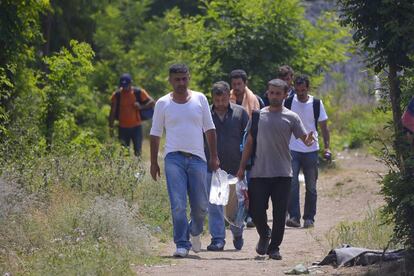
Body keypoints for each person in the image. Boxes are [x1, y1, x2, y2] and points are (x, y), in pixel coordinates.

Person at [236, 78, 315, 260]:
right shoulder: (257, 116)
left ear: (286, 95)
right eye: (271, 92)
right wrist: (241, 167)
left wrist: (309, 140)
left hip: (282, 173)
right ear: (267, 93)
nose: (274, 96)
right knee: (256, 211)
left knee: (279, 213)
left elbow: (304, 138)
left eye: (278, 93)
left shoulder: (292, 117)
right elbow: (249, 142)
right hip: (258, 172)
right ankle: (264, 234)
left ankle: (274, 248)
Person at [149, 64, 219, 258]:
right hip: (173, 158)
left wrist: (214, 156)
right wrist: (154, 162)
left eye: (184, 78)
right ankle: (181, 243)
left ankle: (194, 231)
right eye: (177, 79)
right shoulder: (163, 103)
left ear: (189, 78)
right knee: (178, 203)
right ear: (170, 80)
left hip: (197, 158)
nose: (181, 82)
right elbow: (155, 134)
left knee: (201, 206)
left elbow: (210, 129)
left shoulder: (200, 99)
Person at [205, 81, 249, 251]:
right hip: (213, 167)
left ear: (228, 97)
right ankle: (218, 239)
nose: (221, 104)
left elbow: (248, 140)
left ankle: (237, 233)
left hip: (235, 167)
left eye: (223, 100)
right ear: (212, 98)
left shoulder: (240, 113)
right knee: (215, 205)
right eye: (217, 100)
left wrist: (246, 165)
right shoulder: (206, 114)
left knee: (234, 208)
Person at [285, 75, 331, 229]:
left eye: (303, 90)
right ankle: (294, 216)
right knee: (292, 184)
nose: (300, 93)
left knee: (311, 186)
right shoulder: (289, 102)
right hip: (293, 148)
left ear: (308, 88)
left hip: (311, 149)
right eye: (297, 90)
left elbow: (324, 127)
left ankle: (309, 218)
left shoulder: (316, 103)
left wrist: (327, 147)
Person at [229, 69, 261, 228]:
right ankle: (232, 214)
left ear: (245, 83)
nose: (236, 87)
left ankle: (251, 215)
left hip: (251, 147)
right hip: (232, 148)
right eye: (233, 84)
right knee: (234, 184)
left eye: (239, 83)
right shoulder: (226, 99)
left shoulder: (254, 100)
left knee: (251, 183)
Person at [109, 73, 155, 156]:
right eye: (123, 85)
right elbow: (112, 112)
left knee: (138, 151)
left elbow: (152, 102)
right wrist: (111, 128)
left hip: (136, 127)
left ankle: (138, 168)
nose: (125, 87)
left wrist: (141, 107)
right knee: (124, 152)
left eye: (126, 85)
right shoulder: (117, 95)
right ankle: (125, 169)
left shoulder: (138, 92)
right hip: (122, 128)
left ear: (131, 83)